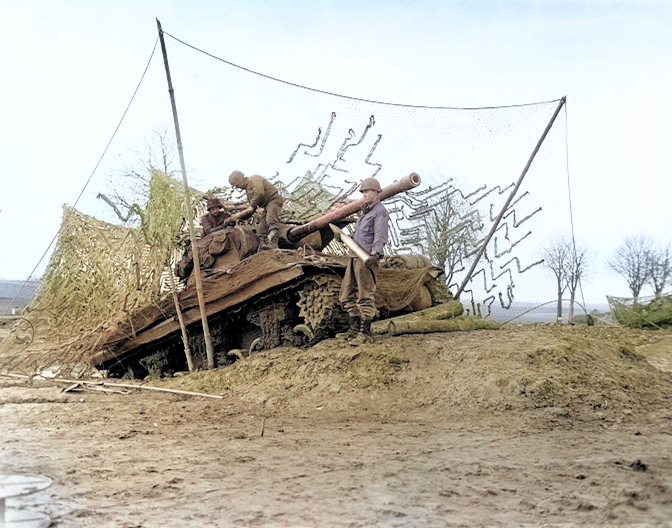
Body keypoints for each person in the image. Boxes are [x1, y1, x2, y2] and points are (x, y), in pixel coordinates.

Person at [338, 177, 389, 341]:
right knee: (347, 294)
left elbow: (380, 236)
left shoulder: (380, 212)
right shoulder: (365, 213)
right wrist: (345, 237)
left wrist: (375, 255)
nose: (365, 194)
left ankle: (365, 332)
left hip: (366, 258)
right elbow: (359, 235)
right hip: (354, 256)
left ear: (376, 192)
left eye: (367, 191)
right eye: (363, 192)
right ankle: (353, 330)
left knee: (365, 295)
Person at [227, 170, 284, 248]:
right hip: (266, 206)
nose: (238, 187)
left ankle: (273, 241)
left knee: (270, 220)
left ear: (241, 180)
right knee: (262, 229)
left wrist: (251, 205)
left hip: (274, 200)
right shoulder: (248, 191)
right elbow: (252, 209)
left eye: (237, 185)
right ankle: (265, 245)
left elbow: (259, 193)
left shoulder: (254, 179)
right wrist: (240, 217)